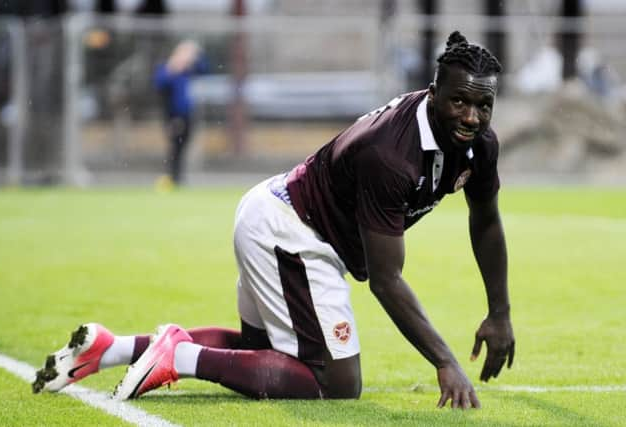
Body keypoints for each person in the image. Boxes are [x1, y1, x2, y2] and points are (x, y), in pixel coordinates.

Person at [33, 31, 514, 409]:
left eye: (484, 105)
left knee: (258, 348)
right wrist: (445, 361)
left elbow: (486, 220)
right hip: (292, 231)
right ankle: (177, 356)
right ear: (433, 92)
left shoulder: (479, 143)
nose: (472, 116)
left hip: (280, 211)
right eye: (459, 102)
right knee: (335, 383)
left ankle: (110, 348)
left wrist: (499, 313)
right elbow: (386, 279)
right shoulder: (391, 154)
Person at [154, 40, 209, 187]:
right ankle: (172, 177)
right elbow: (159, 84)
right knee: (175, 147)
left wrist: (194, 55)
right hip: (173, 115)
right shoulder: (168, 69)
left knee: (182, 145)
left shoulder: (189, 70)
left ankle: (177, 177)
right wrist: (173, 69)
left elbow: (205, 68)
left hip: (187, 115)